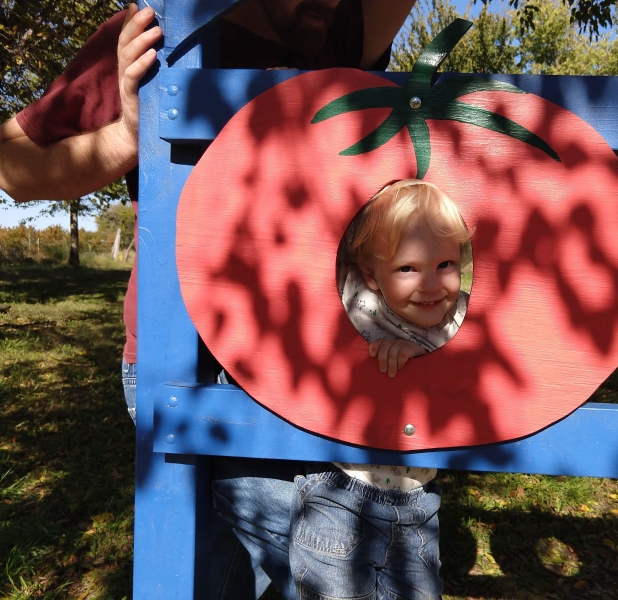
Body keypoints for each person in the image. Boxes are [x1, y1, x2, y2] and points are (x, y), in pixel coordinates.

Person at [0, 1, 415, 598]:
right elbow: (12, 161)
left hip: (313, 361)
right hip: (191, 364)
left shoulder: (337, 26)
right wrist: (126, 135)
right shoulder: (153, 28)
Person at [286, 180, 471, 600]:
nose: (430, 284)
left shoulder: (462, 318)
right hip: (337, 491)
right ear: (371, 274)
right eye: (407, 268)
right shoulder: (358, 299)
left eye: (445, 265)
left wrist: (424, 356)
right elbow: (309, 245)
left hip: (420, 501)